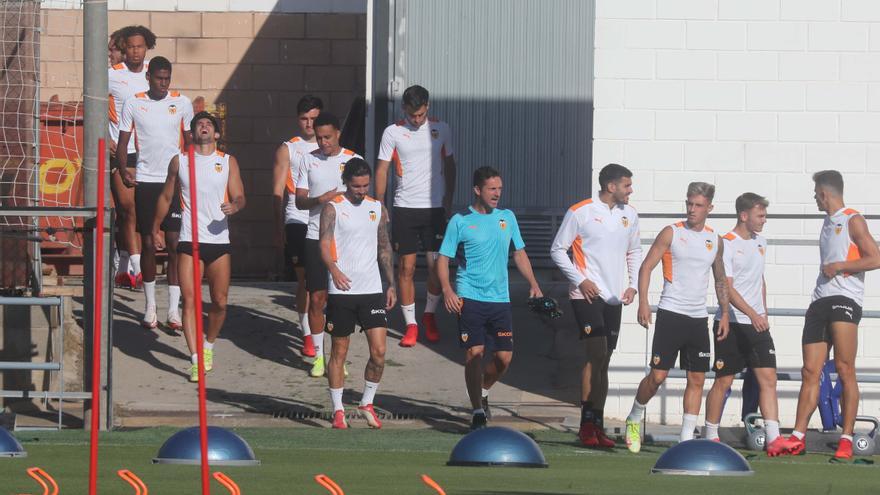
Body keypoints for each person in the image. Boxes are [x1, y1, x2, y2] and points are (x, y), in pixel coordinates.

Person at [771, 171, 880, 459]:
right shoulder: (826, 222)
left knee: (845, 368)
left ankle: (845, 439)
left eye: (815, 193)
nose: (814, 198)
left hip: (845, 300)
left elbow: (876, 258)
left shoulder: (852, 219)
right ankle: (797, 437)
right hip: (820, 301)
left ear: (823, 193)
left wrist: (840, 266)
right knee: (810, 371)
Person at [624, 182, 730, 453]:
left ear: (709, 208)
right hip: (671, 313)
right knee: (658, 376)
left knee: (697, 379)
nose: (692, 210)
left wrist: (726, 312)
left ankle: (685, 440)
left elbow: (720, 279)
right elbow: (647, 266)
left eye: (698, 205)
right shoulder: (671, 232)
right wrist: (644, 303)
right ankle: (635, 416)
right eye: (689, 204)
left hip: (697, 319)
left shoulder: (714, 240)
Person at [437, 166, 543, 430]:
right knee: (475, 353)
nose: (497, 194)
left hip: (499, 298)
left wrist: (533, 283)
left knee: (504, 358)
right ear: (477, 190)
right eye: (492, 189)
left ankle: (483, 391)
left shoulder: (507, 218)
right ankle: (476, 411)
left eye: (499, 189)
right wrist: (448, 290)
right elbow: (443, 258)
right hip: (469, 296)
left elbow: (519, 253)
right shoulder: (460, 221)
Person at [550, 163, 641, 448]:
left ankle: (597, 425)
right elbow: (557, 250)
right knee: (596, 353)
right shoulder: (581, 211)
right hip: (587, 296)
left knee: (605, 361)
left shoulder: (630, 214)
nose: (631, 190)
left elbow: (635, 251)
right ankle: (586, 425)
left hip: (615, 298)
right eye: (627, 185)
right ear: (611, 186)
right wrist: (581, 280)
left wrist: (633, 284)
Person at [153, 112, 244, 382]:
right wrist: (155, 227)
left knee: (220, 302)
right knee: (190, 301)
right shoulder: (180, 161)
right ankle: (194, 360)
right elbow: (166, 195)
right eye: (198, 124)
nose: (203, 127)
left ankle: (208, 346)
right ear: (192, 133)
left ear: (216, 134)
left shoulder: (227, 162)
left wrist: (235, 206)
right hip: (189, 240)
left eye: (209, 124)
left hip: (218, 241)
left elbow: (240, 196)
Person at [376, 85, 456, 347]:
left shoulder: (441, 129)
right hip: (404, 208)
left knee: (436, 267)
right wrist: (378, 205)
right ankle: (411, 325)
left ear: (428, 107)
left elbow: (450, 164)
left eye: (421, 115)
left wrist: (449, 199)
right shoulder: (393, 132)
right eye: (412, 115)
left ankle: (429, 315)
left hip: (434, 209)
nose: (417, 120)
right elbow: (382, 169)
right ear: (404, 110)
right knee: (407, 268)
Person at [116, 56, 193, 330]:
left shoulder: (182, 103)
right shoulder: (134, 102)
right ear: (149, 77)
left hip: (173, 181)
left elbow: (191, 143)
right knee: (149, 242)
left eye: (167, 78)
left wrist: (192, 175)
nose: (163, 83)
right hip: (147, 180)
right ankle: (150, 306)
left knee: (174, 244)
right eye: (159, 78)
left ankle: (173, 309)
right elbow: (123, 142)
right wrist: (124, 169)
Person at [701, 193, 782, 452]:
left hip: (757, 323)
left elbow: (760, 280)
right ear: (743, 215)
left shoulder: (761, 242)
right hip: (733, 323)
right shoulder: (727, 244)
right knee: (724, 379)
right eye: (760, 216)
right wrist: (752, 314)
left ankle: (774, 438)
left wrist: (763, 314)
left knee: (768, 378)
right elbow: (728, 287)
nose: (764, 220)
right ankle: (710, 433)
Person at [319, 158, 396, 429]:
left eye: (365, 186)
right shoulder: (333, 208)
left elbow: (384, 248)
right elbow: (324, 244)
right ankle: (338, 409)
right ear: (346, 183)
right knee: (339, 351)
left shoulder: (377, 208)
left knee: (379, 352)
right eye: (356, 186)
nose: (361, 191)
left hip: (372, 289)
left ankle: (366, 402)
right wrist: (334, 270)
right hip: (342, 291)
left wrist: (391, 284)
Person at [295, 113, 363, 378]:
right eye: (319, 137)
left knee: (341, 302)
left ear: (338, 134)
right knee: (317, 298)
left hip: (344, 240)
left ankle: (338, 356)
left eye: (327, 137)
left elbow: (362, 196)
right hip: (315, 236)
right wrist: (320, 199)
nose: (322, 142)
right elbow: (300, 201)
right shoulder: (308, 159)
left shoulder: (352, 160)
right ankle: (319, 358)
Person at [272, 95, 322, 358]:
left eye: (314, 118)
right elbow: (278, 191)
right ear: (297, 119)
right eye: (304, 119)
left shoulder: (331, 148)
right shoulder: (288, 148)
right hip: (297, 219)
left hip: (325, 221)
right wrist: (278, 228)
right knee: (305, 280)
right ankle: (307, 334)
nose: (309, 124)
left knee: (322, 284)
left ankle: (322, 331)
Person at [109, 25, 156, 290]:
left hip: (151, 153)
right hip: (124, 152)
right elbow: (93, 103)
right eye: (130, 47)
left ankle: (126, 265)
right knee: (128, 209)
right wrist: (106, 139)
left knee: (144, 213)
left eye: (140, 46)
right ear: (124, 49)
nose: (135, 51)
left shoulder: (154, 72)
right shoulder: (112, 75)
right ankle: (138, 269)